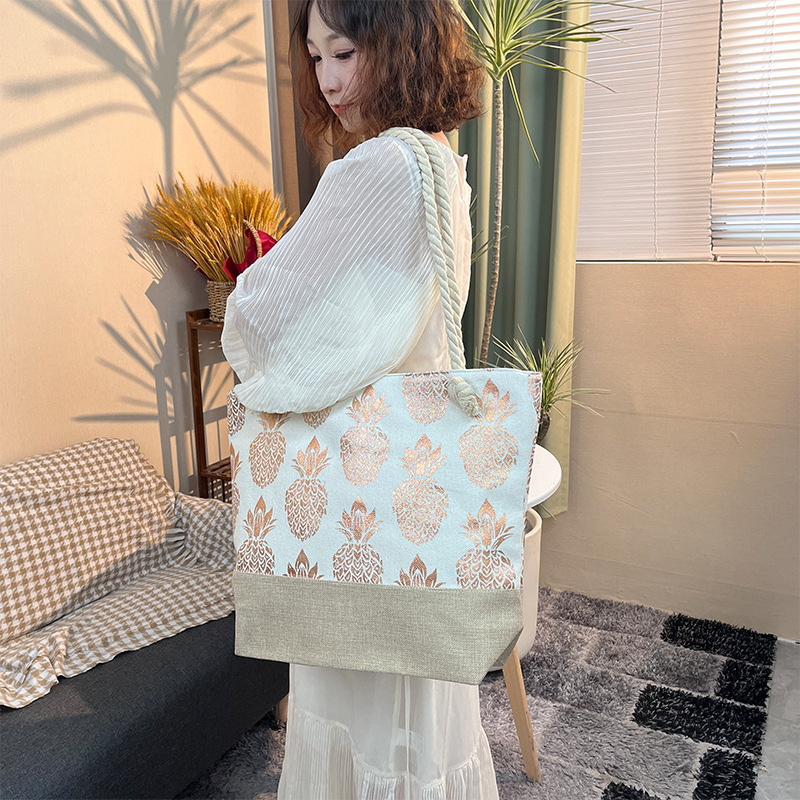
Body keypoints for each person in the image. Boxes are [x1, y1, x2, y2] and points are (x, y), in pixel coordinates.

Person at [222, 0, 496, 796]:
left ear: (400, 45)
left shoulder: (373, 168)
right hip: (412, 483)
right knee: (415, 703)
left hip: (354, 485)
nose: (328, 81)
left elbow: (262, 314)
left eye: (343, 53)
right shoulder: (440, 160)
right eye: (315, 58)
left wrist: (249, 300)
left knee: (356, 697)